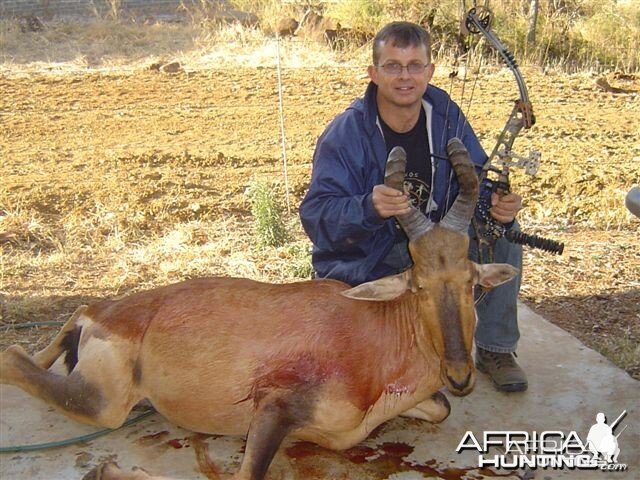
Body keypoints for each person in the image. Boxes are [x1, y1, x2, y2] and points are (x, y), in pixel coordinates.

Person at [299, 21, 527, 392]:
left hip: (436, 244)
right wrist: (368, 207)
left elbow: (478, 175)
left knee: (504, 230)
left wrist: (497, 203)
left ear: (429, 71)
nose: (405, 77)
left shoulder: (445, 112)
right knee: (359, 363)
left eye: (414, 65)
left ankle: (495, 348)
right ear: (374, 73)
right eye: (392, 66)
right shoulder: (345, 134)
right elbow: (316, 218)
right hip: (374, 253)